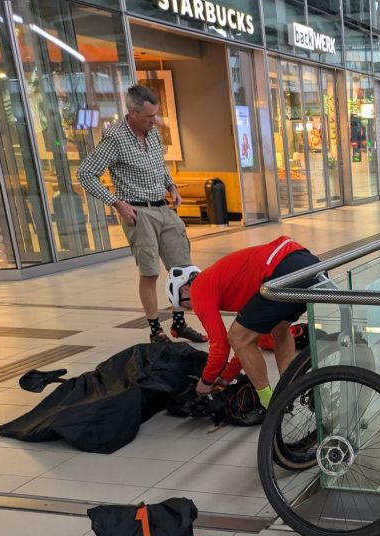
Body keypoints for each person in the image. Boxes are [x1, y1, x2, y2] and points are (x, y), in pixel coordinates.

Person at [78, 84, 206, 345]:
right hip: (139, 212)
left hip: (163, 208)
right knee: (149, 273)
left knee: (183, 271)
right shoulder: (115, 139)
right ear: (133, 113)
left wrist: (171, 186)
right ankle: (156, 330)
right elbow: (85, 174)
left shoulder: (153, 134)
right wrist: (117, 203)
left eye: (155, 115)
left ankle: (179, 324)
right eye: (149, 116)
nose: (154, 121)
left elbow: (159, 166)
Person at [169, 235, 321, 408]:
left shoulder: (198, 288)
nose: (191, 308)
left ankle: (270, 405)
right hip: (309, 264)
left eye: (184, 303)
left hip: (283, 269)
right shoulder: (229, 282)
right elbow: (251, 341)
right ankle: (292, 389)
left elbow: (221, 345)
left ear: (185, 288)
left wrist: (206, 381)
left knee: (237, 337)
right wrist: (226, 377)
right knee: (279, 330)